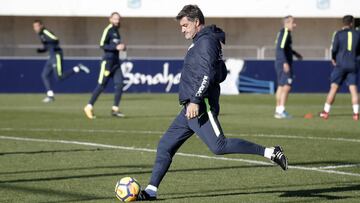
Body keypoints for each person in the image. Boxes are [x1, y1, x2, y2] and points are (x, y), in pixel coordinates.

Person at [137, 5, 288, 201]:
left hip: (200, 105)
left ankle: (271, 152)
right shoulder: (204, 41)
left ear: (196, 22)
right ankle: (151, 191)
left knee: (219, 146)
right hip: (189, 108)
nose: (182, 29)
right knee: (165, 145)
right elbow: (220, 73)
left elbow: (207, 74)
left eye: (185, 25)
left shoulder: (206, 42)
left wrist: (196, 100)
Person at [33, 20, 90, 103]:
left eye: (37, 26)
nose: (35, 28)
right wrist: (41, 50)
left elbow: (55, 39)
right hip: (51, 56)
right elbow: (47, 46)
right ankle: (50, 96)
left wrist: (51, 47)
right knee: (44, 75)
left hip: (56, 55)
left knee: (59, 77)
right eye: (34, 26)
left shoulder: (45, 32)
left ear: (41, 25)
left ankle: (78, 68)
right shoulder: (41, 35)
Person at [84, 12, 126, 119]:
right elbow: (102, 44)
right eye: (115, 19)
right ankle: (89, 106)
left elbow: (116, 46)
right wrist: (115, 47)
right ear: (110, 19)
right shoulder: (108, 30)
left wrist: (122, 47)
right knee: (102, 85)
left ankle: (115, 109)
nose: (117, 21)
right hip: (107, 62)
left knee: (120, 84)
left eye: (118, 19)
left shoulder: (116, 31)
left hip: (116, 63)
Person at [320, 15, 360, 120]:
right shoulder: (357, 34)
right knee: (353, 89)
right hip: (353, 64)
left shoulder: (338, 34)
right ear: (351, 23)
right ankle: (356, 114)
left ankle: (325, 112)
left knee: (334, 88)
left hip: (340, 64)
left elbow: (334, 49)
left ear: (343, 23)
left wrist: (333, 58)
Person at [274, 16, 303, 119]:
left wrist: (295, 54)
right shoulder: (285, 32)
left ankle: (278, 111)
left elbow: (285, 48)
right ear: (287, 23)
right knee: (287, 86)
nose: (295, 25)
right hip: (283, 63)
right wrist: (285, 62)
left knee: (281, 86)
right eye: (293, 23)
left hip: (280, 62)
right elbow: (280, 48)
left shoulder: (283, 32)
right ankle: (281, 110)